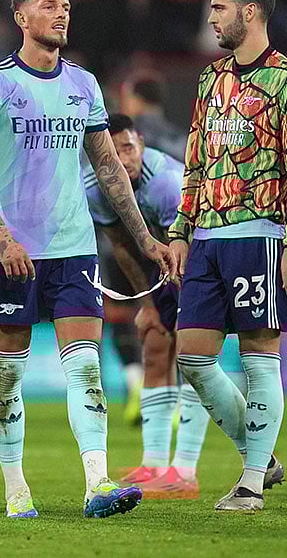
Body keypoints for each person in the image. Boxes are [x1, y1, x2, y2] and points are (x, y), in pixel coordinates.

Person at [0, 0, 175, 519]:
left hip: (74, 250)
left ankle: (97, 483)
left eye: (66, 6)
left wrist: (145, 238)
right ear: (21, 18)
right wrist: (0, 235)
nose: (61, 14)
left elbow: (109, 168)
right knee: (7, 374)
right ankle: (15, 489)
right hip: (14, 255)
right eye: (49, 6)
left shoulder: (84, 84)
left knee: (87, 369)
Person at [168, 0, 287, 512]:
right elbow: (195, 159)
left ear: (249, 12)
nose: (211, 18)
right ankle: (263, 456)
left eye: (219, 8)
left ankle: (251, 483)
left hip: (262, 235)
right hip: (207, 236)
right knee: (192, 356)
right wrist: (180, 231)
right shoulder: (210, 79)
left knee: (258, 354)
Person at [83, 113, 210, 497]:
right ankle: (154, 462)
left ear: (140, 142)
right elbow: (122, 247)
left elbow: (184, 245)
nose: (123, 159)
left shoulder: (167, 184)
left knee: (193, 355)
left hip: (197, 256)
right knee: (155, 343)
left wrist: (188, 305)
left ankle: (184, 470)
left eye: (128, 148)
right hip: (161, 265)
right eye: (114, 152)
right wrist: (149, 304)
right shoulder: (96, 187)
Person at [120, 74, 188, 162]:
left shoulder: (130, 136)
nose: (123, 103)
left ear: (138, 99)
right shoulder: (181, 136)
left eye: (127, 97)